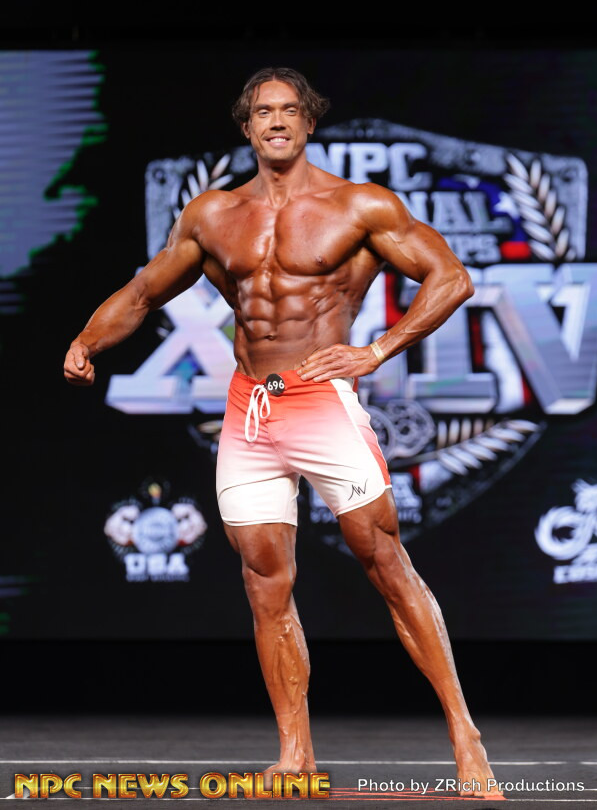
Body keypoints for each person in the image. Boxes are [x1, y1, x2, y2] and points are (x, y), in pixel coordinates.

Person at [64, 67, 503, 799]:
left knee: (385, 562)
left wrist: (377, 350)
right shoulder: (213, 215)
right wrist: (86, 341)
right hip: (249, 410)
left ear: (308, 122)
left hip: (321, 401)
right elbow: (143, 292)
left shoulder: (359, 205)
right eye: (264, 111)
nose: (276, 121)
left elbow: (451, 277)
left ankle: (465, 735)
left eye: (289, 110)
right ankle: (295, 754)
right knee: (265, 582)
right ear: (247, 127)